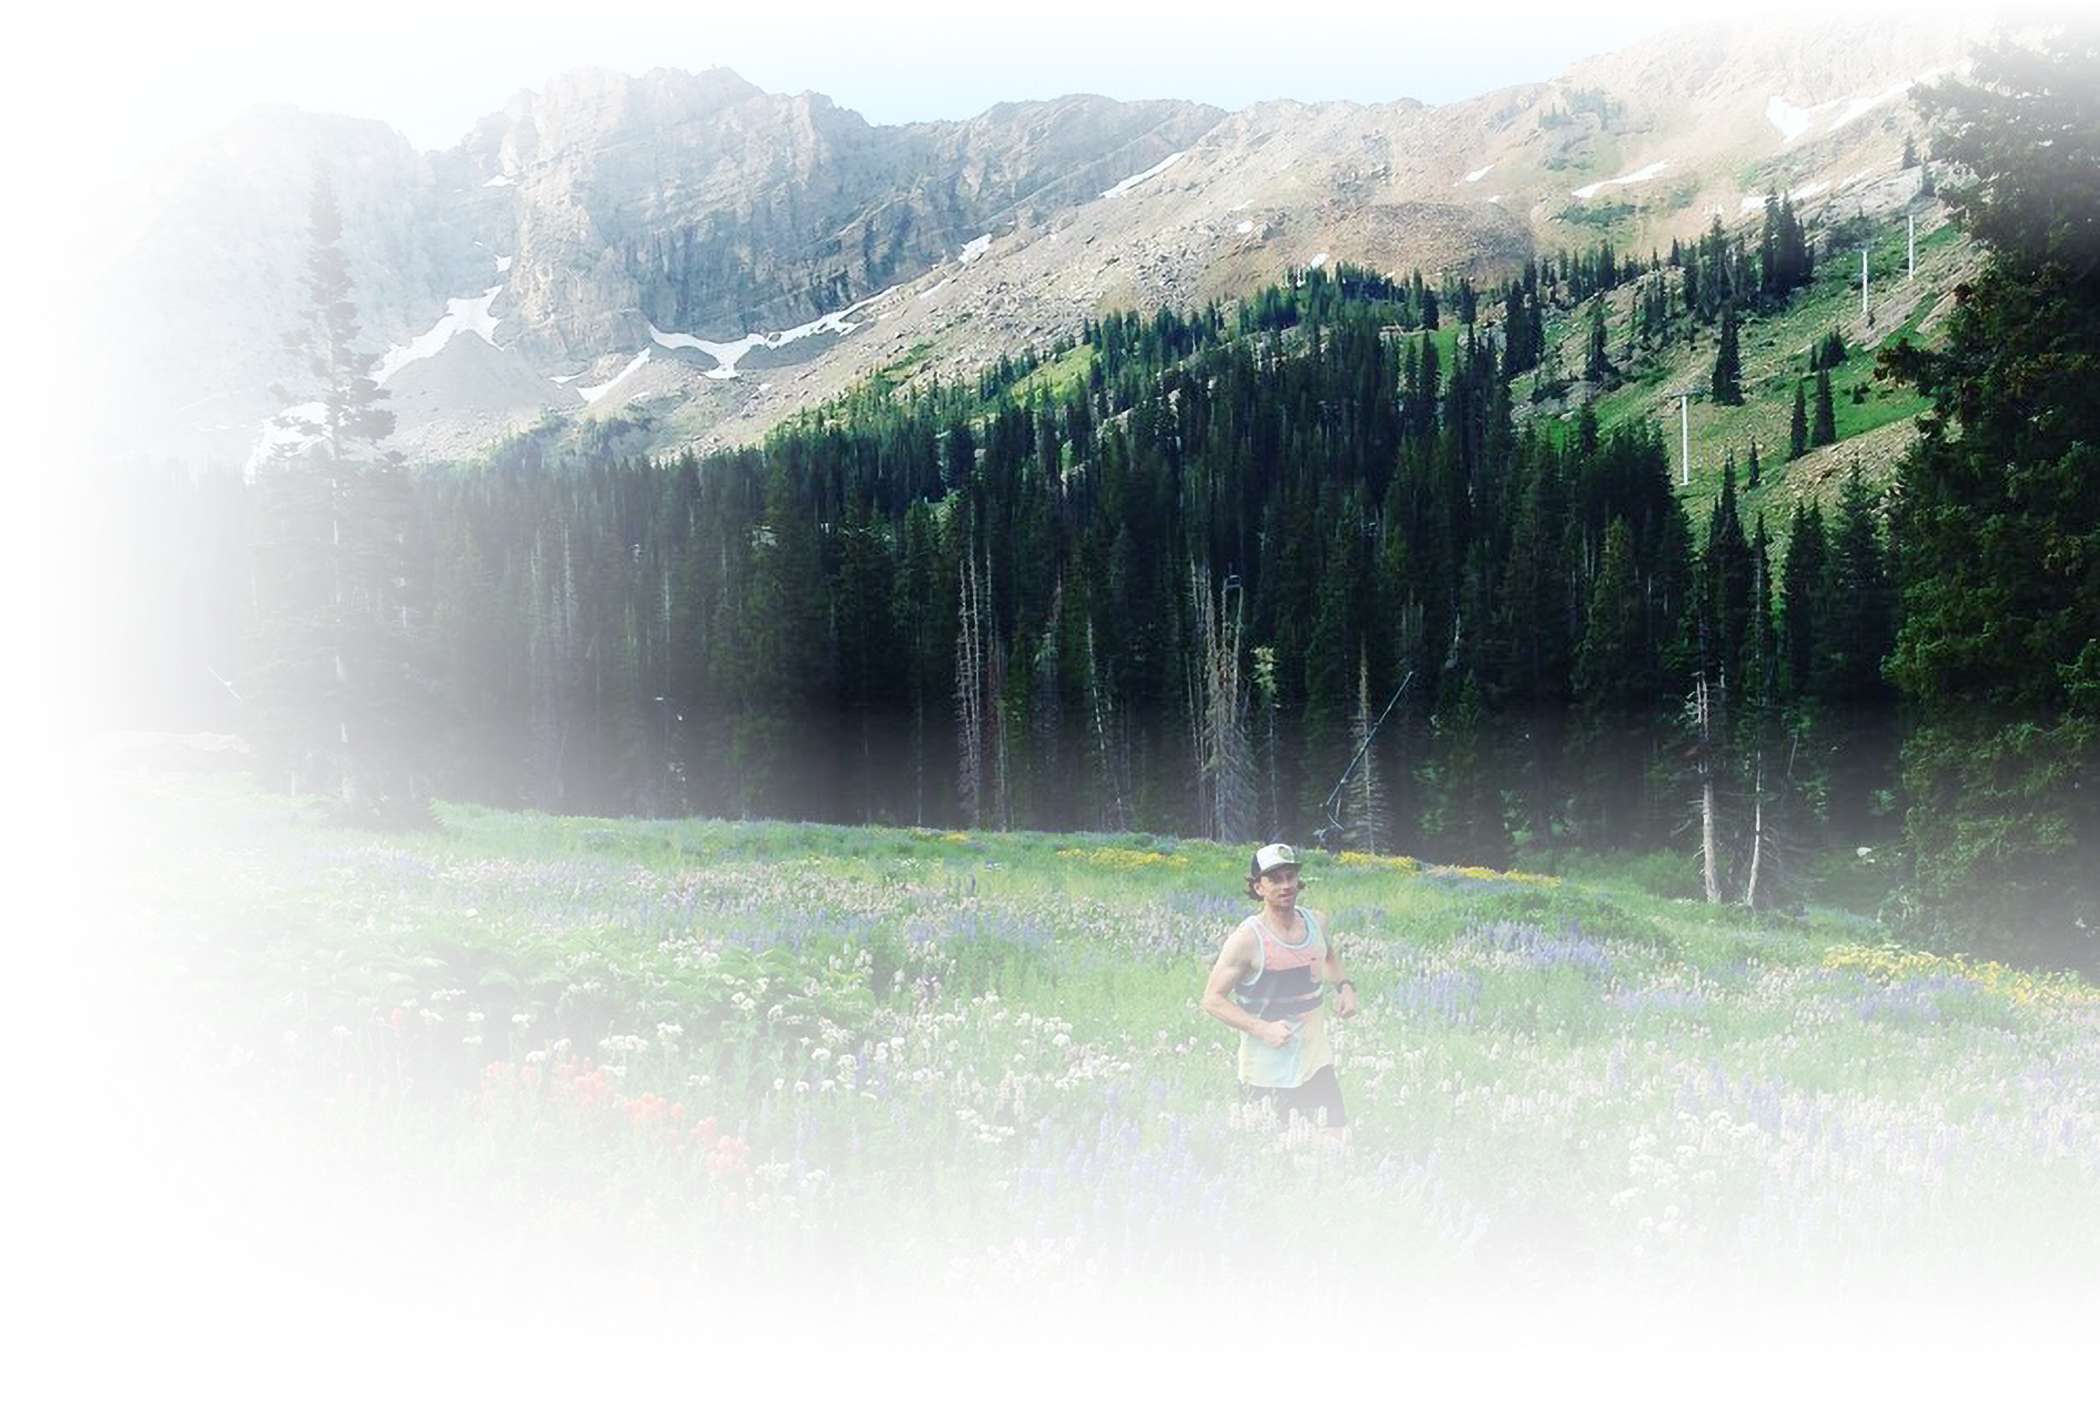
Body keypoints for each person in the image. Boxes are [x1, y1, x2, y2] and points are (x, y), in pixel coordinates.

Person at [1201, 842, 1357, 1137]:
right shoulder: (1247, 939)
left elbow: (1329, 955)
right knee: (1271, 1158)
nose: (1286, 885)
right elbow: (1212, 1000)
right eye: (1275, 879)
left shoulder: (1317, 922)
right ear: (1258, 887)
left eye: (1291, 876)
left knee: (1336, 1146)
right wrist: (1261, 1028)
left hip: (1315, 1064)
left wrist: (1345, 987)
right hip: (1265, 1072)